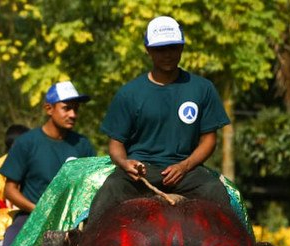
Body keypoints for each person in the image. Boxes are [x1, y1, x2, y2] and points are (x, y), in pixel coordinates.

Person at [90, 16, 232, 221]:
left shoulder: (203, 88)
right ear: (148, 49)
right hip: (140, 174)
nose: (167, 54)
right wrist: (125, 163)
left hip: (187, 173)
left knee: (215, 189)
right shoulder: (129, 93)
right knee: (110, 189)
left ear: (182, 47)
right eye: (160, 49)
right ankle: (82, 242)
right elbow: (115, 144)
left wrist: (184, 166)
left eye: (173, 47)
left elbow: (209, 140)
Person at [0, 81, 96, 246]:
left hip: (73, 220)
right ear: (49, 109)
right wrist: (38, 211)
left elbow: (92, 186)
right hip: (31, 217)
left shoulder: (83, 144)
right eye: (66, 108)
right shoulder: (26, 143)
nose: (73, 114)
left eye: (76, 109)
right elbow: (10, 189)